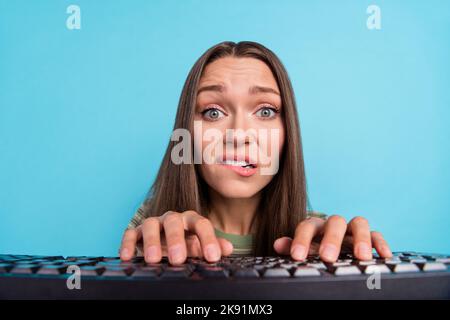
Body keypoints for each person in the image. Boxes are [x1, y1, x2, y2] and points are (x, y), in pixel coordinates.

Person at [119, 41, 392, 266]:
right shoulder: (152, 228)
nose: (238, 134)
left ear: (288, 133)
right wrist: (149, 274)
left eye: (265, 111)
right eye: (213, 112)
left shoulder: (318, 241)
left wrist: (344, 271)